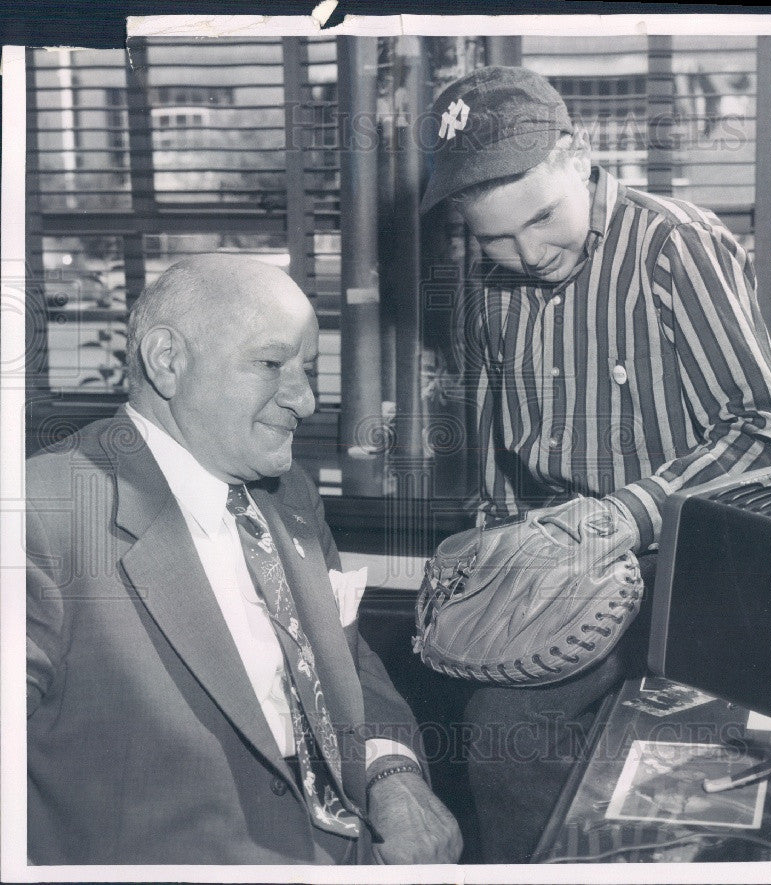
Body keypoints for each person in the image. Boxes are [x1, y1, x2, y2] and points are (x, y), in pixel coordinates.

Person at [418, 66, 771, 862]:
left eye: (541, 218)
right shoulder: (493, 288)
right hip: (565, 577)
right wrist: (495, 551)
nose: (526, 254)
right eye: (494, 238)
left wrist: (627, 512)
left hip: (701, 575)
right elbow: (503, 455)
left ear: (579, 154)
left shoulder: (676, 244)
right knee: (499, 738)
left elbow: (769, 433)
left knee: (681, 802)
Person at [25, 255, 462, 865]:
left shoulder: (290, 496)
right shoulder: (40, 517)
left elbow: (347, 662)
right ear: (168, 361)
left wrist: (391, 774)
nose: (306, 401)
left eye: (305, 368)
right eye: (270, 364)